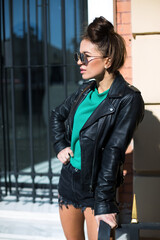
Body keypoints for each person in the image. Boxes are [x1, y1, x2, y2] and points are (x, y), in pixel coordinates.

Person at [50, 16, 144, 240]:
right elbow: (57, 115)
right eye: (78, 56)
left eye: (86, 57)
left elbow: (114, 150)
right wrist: (60, 145)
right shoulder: (85, 91)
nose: (79, 62)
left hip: (96, 189)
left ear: (108, 61)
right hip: (68, 182)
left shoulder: (128, 99)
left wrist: (104, 202)